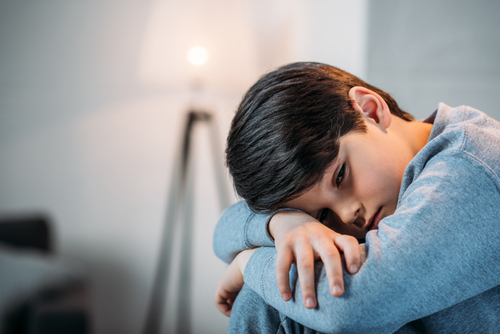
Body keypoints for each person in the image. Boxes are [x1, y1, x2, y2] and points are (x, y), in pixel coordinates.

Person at [213, 62, 500, 333]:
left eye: (340, 176)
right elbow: (224, 231)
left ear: (370, 110)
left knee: (271, 292)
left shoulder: (473, 162)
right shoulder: (393, 190)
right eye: (323, 215)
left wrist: (247, 263)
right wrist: (285, 223)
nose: (348, 215)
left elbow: (349, 306)